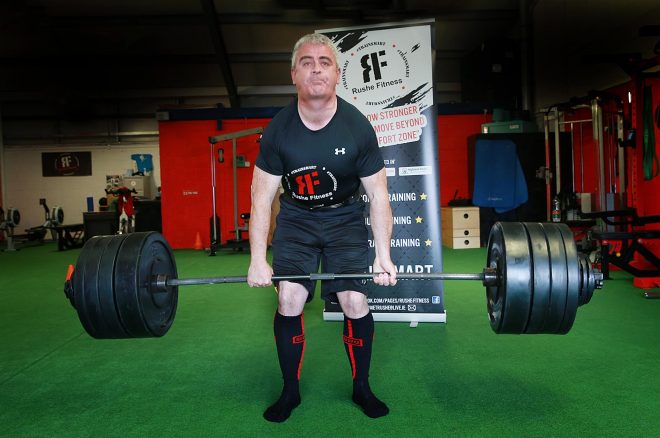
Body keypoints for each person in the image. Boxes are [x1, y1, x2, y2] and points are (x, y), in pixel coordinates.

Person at [247, 33, 398, 423]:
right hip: (296, 218)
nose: (316, 68)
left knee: (354, 302)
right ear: (294, 74)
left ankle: (361, 387)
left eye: (325, 62)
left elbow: (378, 196)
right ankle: (290, 392)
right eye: (308, 62)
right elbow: (261, 199)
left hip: (345, 217)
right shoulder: (278, 130)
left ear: (338, 73)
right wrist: (257, 260)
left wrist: (384, 256)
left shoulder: (357, 127)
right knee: (289, 300)